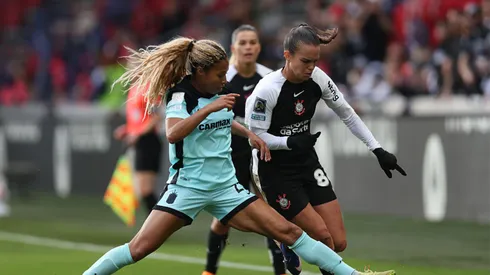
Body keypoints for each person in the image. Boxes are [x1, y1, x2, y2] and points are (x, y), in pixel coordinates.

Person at [82, 36, 396, 275]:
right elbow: (173, 132)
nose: (224, 80)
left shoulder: (214, 93)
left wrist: (248, 133)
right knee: (139, 248)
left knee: (289, 232)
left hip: (226, 188)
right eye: (219, 75)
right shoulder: (182, 94)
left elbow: (221, 121)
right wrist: (210, 107)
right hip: (188, 187)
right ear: (201, 72)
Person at [245, 23, 406, 275]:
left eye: (316, 61)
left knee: (338, 242)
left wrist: (377, 150)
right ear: (287, 56)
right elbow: (254, 136)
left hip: (306, 162)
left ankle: (288, 239)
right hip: (275, 170)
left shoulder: (318, 79)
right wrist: (288, 142)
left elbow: (348, 114)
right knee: (323, 238)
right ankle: (291, 239)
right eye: (305, 61)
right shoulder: (267, 91)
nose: (311, 67)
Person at [202, 25, 286, 275]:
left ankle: (280, 271)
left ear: (259, 47)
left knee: (271, 216)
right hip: (229, 159)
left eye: (253, 42)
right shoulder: (221, 78)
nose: (248, 47)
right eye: (243, 43)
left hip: (262, 157)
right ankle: (209, 271)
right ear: (233, 48)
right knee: (223, 220)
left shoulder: (269, 77)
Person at [113, 84, 162, 214]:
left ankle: (157, 224)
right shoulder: (133, 89)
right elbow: (139, 119)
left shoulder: (149, 89)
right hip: (140, 141)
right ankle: (154, 225)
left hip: (148, 141)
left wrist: (137, 134)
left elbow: (156, 117)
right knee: (143, 191)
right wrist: (127, 129)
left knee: (145, 190)